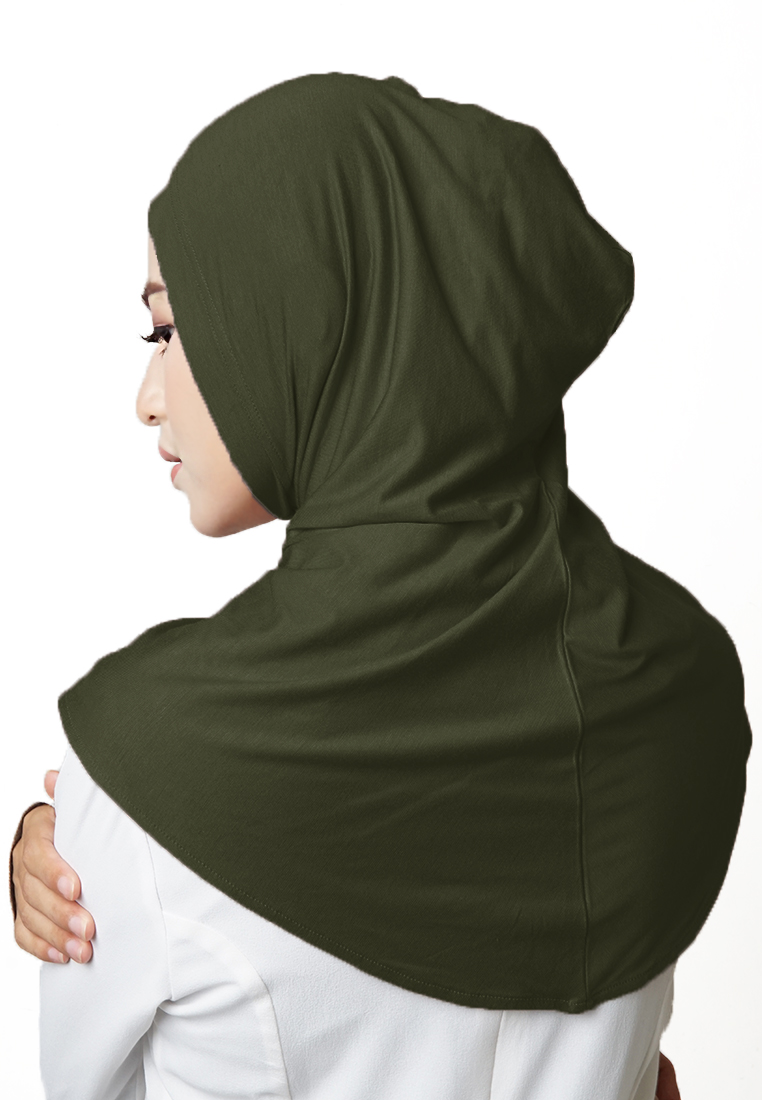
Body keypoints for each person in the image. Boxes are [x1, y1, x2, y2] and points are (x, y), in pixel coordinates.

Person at [10, 71, 751, 1099]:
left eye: (168, 331)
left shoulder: (147, 772)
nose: (148, 395)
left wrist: (95, 825)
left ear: (316, 322)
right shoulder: (685, 693)